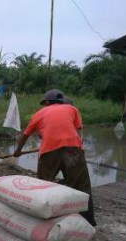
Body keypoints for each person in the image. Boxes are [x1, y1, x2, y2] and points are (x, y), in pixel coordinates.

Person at [13, 89, 96, 227]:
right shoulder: (72, 109)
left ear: (46, 102)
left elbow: (25, 136)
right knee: (82, 186)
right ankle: (88, 222)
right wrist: (79, 148)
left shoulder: (39, 114)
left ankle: (43, 219)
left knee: (44, 185)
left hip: (49, 151)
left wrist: (17, 151)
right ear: (61, 101)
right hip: (73, 149)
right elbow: (76, 129)